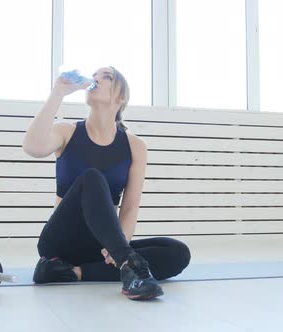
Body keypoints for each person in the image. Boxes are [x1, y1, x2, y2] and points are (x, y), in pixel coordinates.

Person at [22, 66, 191, 300]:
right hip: (60, 242)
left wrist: (119, 245)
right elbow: (32, 147)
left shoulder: (135, 146)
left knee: (177, 253)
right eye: (94, 76)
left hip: (101, 246)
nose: (95, 79)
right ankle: (129, 269)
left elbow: (130, 206)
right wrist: (58, 92)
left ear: (122, 97)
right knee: (92, 177)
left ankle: (73, 273)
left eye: (106, 77)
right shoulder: (67, 131)